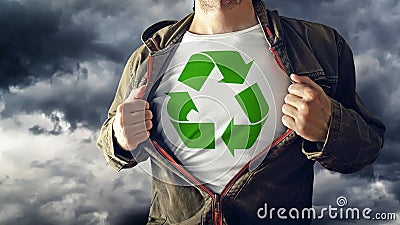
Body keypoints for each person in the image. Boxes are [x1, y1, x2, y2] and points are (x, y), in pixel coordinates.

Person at [96, 0, 386, 224]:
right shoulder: (148, 55)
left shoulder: (320, 46)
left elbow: (367, 148)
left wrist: (329, 126)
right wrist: (120, 137)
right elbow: (109, 143)